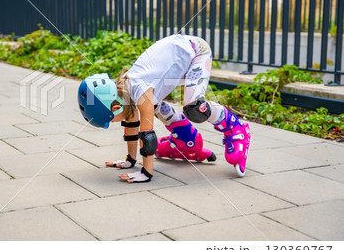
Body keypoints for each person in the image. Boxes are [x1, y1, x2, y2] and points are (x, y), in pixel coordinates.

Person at [78, 34, 251, 183]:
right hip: (178, 54)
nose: (115, 121)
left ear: (115, 107)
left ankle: (236, 126)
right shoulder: (124, 91)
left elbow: (148, 137)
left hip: (196, 53)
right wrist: (129, 161)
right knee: (154, 104)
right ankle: (185, 138)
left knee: (194, 108)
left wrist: (145, 173)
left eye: (111, 119)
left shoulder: (140, 91)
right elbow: (131, 124)